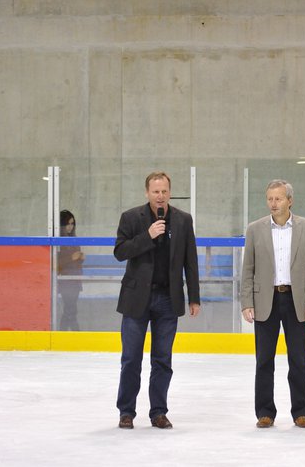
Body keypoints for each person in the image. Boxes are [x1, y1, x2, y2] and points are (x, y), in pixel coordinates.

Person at [113, 172, 200, 430]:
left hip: (167, 299)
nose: (160, 196)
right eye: (155, 192)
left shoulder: (183, 220)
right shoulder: (131, 218)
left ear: (169, 193)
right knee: (131, 358)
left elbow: (190, 261)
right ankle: (126, 412)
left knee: (162, 359)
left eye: (164, 191)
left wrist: (194, 297)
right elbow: (120, 252)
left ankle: (158, 412)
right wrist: (147, 236)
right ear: (147, 193)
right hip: (136, 298)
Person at [240, 180, 305, 429]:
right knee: (264, 360)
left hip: (297, 300)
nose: (273, 203)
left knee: (298, 360)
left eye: (278, 198)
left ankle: (301, 412)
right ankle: (265, 412)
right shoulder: (255, 229)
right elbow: (248, 268)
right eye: (270, 199)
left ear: (290, 200)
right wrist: (246, 301)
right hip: (266, 300)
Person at [57, 210, 84, 331]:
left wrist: (80, 258)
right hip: (65, 280)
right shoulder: (58, 241)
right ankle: (74, 332)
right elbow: (56, 263)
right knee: (70, 309)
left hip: (75, 279)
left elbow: (76, 261)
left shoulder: (74, 239)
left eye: (72, 223)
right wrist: (71, 258)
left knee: (70, 309)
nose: (70, 226)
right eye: (67, 224)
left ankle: (64, 333)